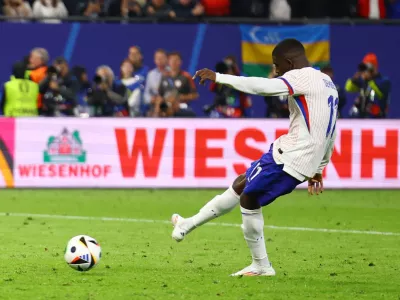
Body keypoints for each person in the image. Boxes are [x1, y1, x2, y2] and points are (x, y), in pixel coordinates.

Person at [171, 38, 339, 277]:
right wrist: (320, 167)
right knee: (242, 184)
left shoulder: (301, 76)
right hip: (290, 151)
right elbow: (332, 127)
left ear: (289, 62)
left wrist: (219, 77)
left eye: (277, 65)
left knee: (249, 198)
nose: (276, 71)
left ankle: (261, 265)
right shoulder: (327, 82)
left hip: (293, 156)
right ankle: (187, 224)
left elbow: (262, 87)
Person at [345, 53, 391, 118]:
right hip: (362, 117)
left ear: (374, 67)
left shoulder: (384, 81)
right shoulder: (363, 80)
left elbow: (380, 94)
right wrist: (356, 76)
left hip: (378, 118)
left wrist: (369, 80)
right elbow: (348, 88)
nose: (366, 70)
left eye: (368, 67)